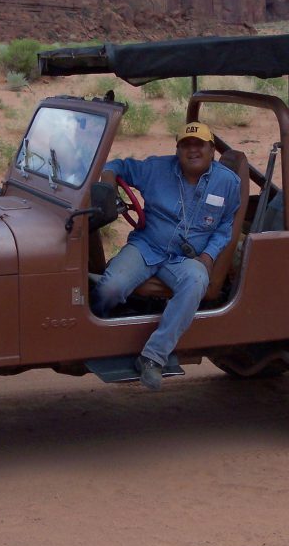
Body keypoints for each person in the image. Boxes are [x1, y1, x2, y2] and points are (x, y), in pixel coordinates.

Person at [91, 122, 240, 390]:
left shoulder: (227, 182)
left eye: (199, 145)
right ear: (178, 149)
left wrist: (208, 256)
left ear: (212, 150)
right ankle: (94, 328)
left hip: (185, 260)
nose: (192, 150)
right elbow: (116, 165)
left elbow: (225, 226)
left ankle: (153, 357)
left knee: (196, 282)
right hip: (147, 246)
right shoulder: (156, 168)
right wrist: (109, 184)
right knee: (111, 289)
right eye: (186, 145)